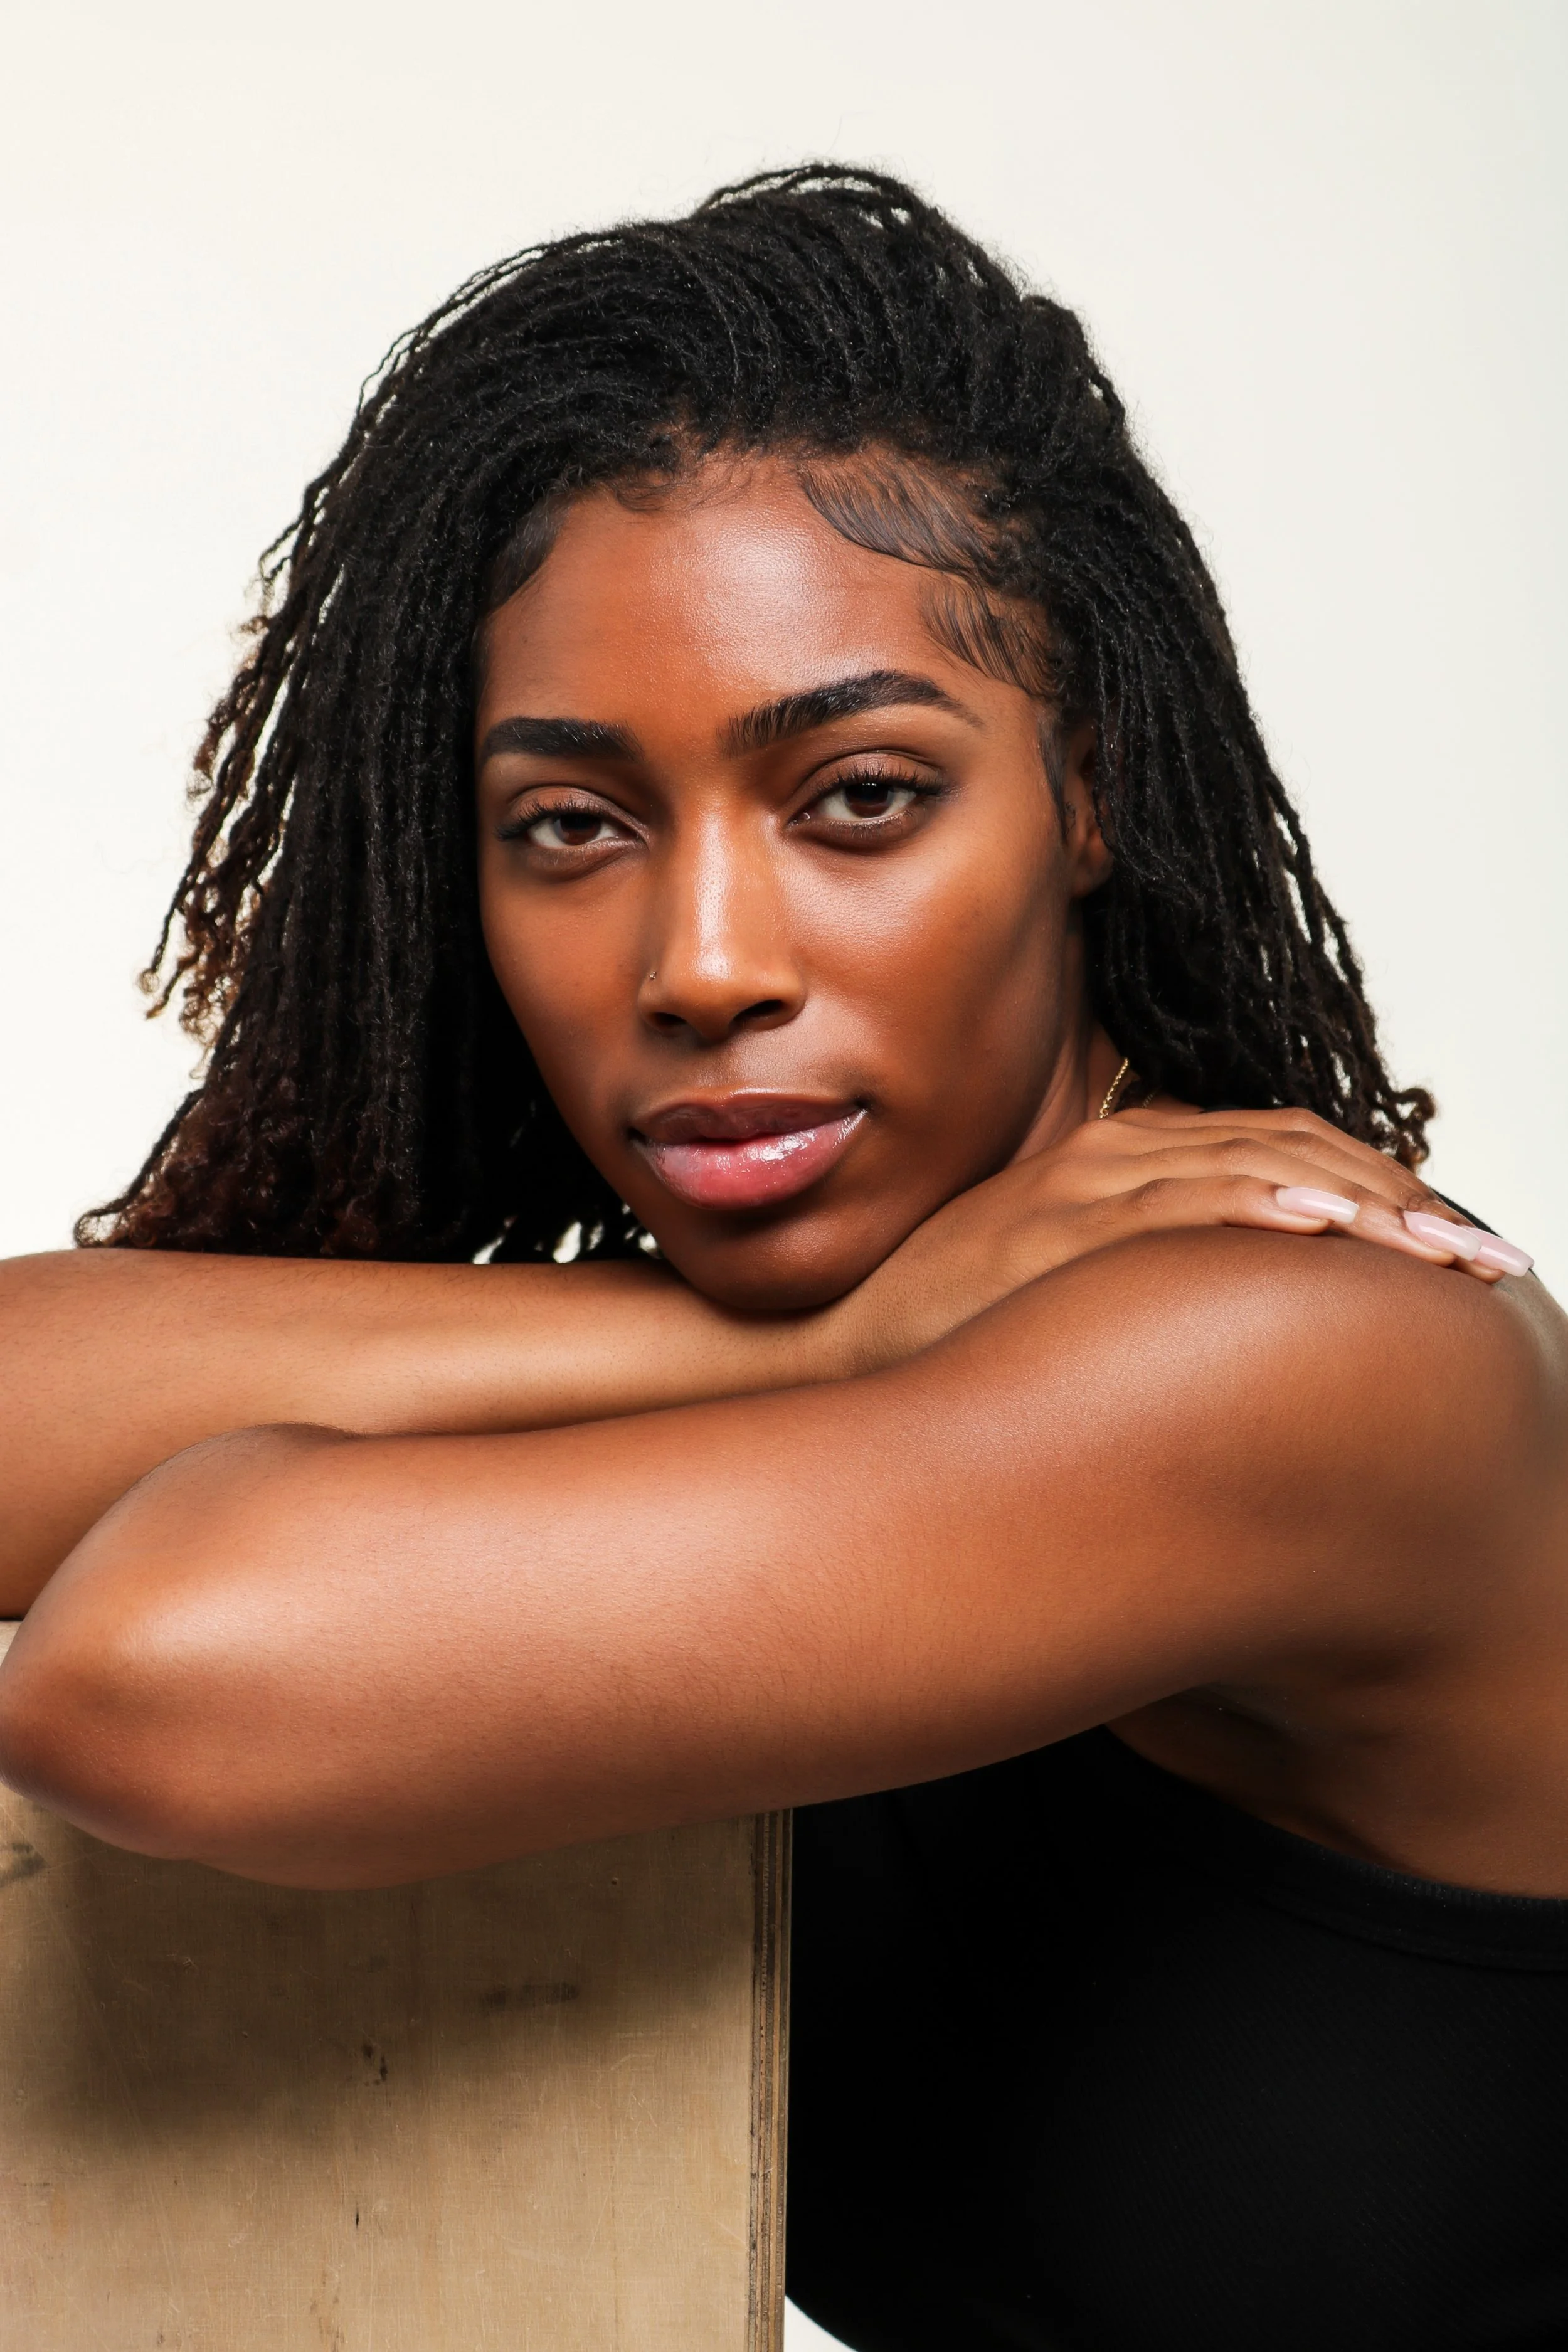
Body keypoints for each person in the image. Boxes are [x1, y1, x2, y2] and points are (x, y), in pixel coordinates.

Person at [0, 167, 1562, 2351]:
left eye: (854, 798)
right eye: (571, 825)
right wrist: (820, 1333)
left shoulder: (1307, 1336)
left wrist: (810, 1348)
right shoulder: (870, 1340)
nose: (702, 961)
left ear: (1084, 789)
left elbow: (148, 1673)